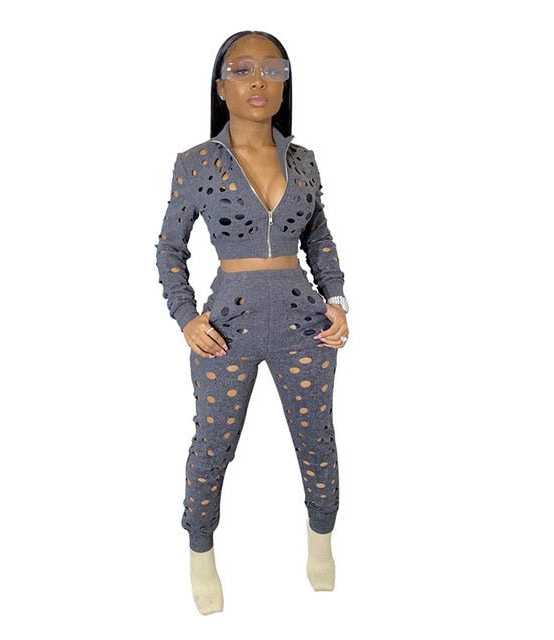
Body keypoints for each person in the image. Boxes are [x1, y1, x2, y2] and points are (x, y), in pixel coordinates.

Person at [156, 30, 350, 615]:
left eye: (272, 68)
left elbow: (319, 237)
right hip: (226, 329)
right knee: (213, 445)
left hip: (304, 324)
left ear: (286, 83)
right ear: (221, 87)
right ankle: (200, 554)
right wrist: (186, 317)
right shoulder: (196, 163)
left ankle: (321, 543)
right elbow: (169, 249)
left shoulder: (304, 159)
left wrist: (337, 299)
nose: (258, 79)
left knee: (316, 441)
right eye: (242, 69)